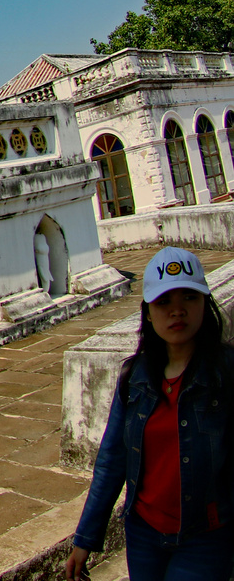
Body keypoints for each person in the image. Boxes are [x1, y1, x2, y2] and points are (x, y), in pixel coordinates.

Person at [67, 247, 234, 580]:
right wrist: (86, 538)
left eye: (189, 297)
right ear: (148, 313)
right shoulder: (135, 378)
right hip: (143, 534)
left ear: (205, 303)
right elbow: (111, 459)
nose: (177, 312)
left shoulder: (226, 373)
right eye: (163, 303)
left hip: (206, 536)